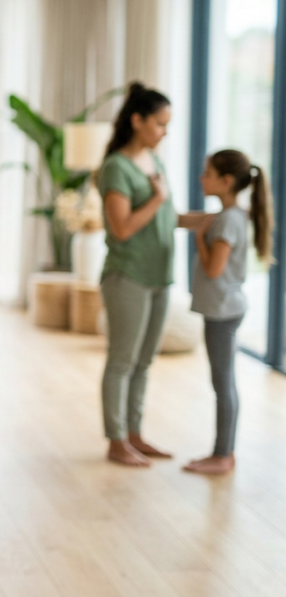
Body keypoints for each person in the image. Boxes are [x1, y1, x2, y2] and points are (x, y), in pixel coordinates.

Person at [97, 82, 182, 467]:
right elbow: (123, 228)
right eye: (160, 123)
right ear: (138, 121)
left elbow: (166, 217)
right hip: (127, 276)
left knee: (145, 361)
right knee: (122, 360)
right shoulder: (116, 167)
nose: (164, 131)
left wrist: (214, 220)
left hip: (159, 276)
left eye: (167, 124)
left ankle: (134, 434)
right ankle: (116, 440)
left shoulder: (155, 162)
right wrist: (159, 199)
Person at [183, 149, 273, 475]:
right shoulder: (231, 216)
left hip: (222, 312)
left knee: (223, 383)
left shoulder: (226, 221)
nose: (200, 178)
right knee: (223, 382)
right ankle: (223, 452)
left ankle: (222, 455)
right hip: (225, 310)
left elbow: (213, 269)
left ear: (226, 181)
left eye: (206, 174)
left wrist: (200, 240)